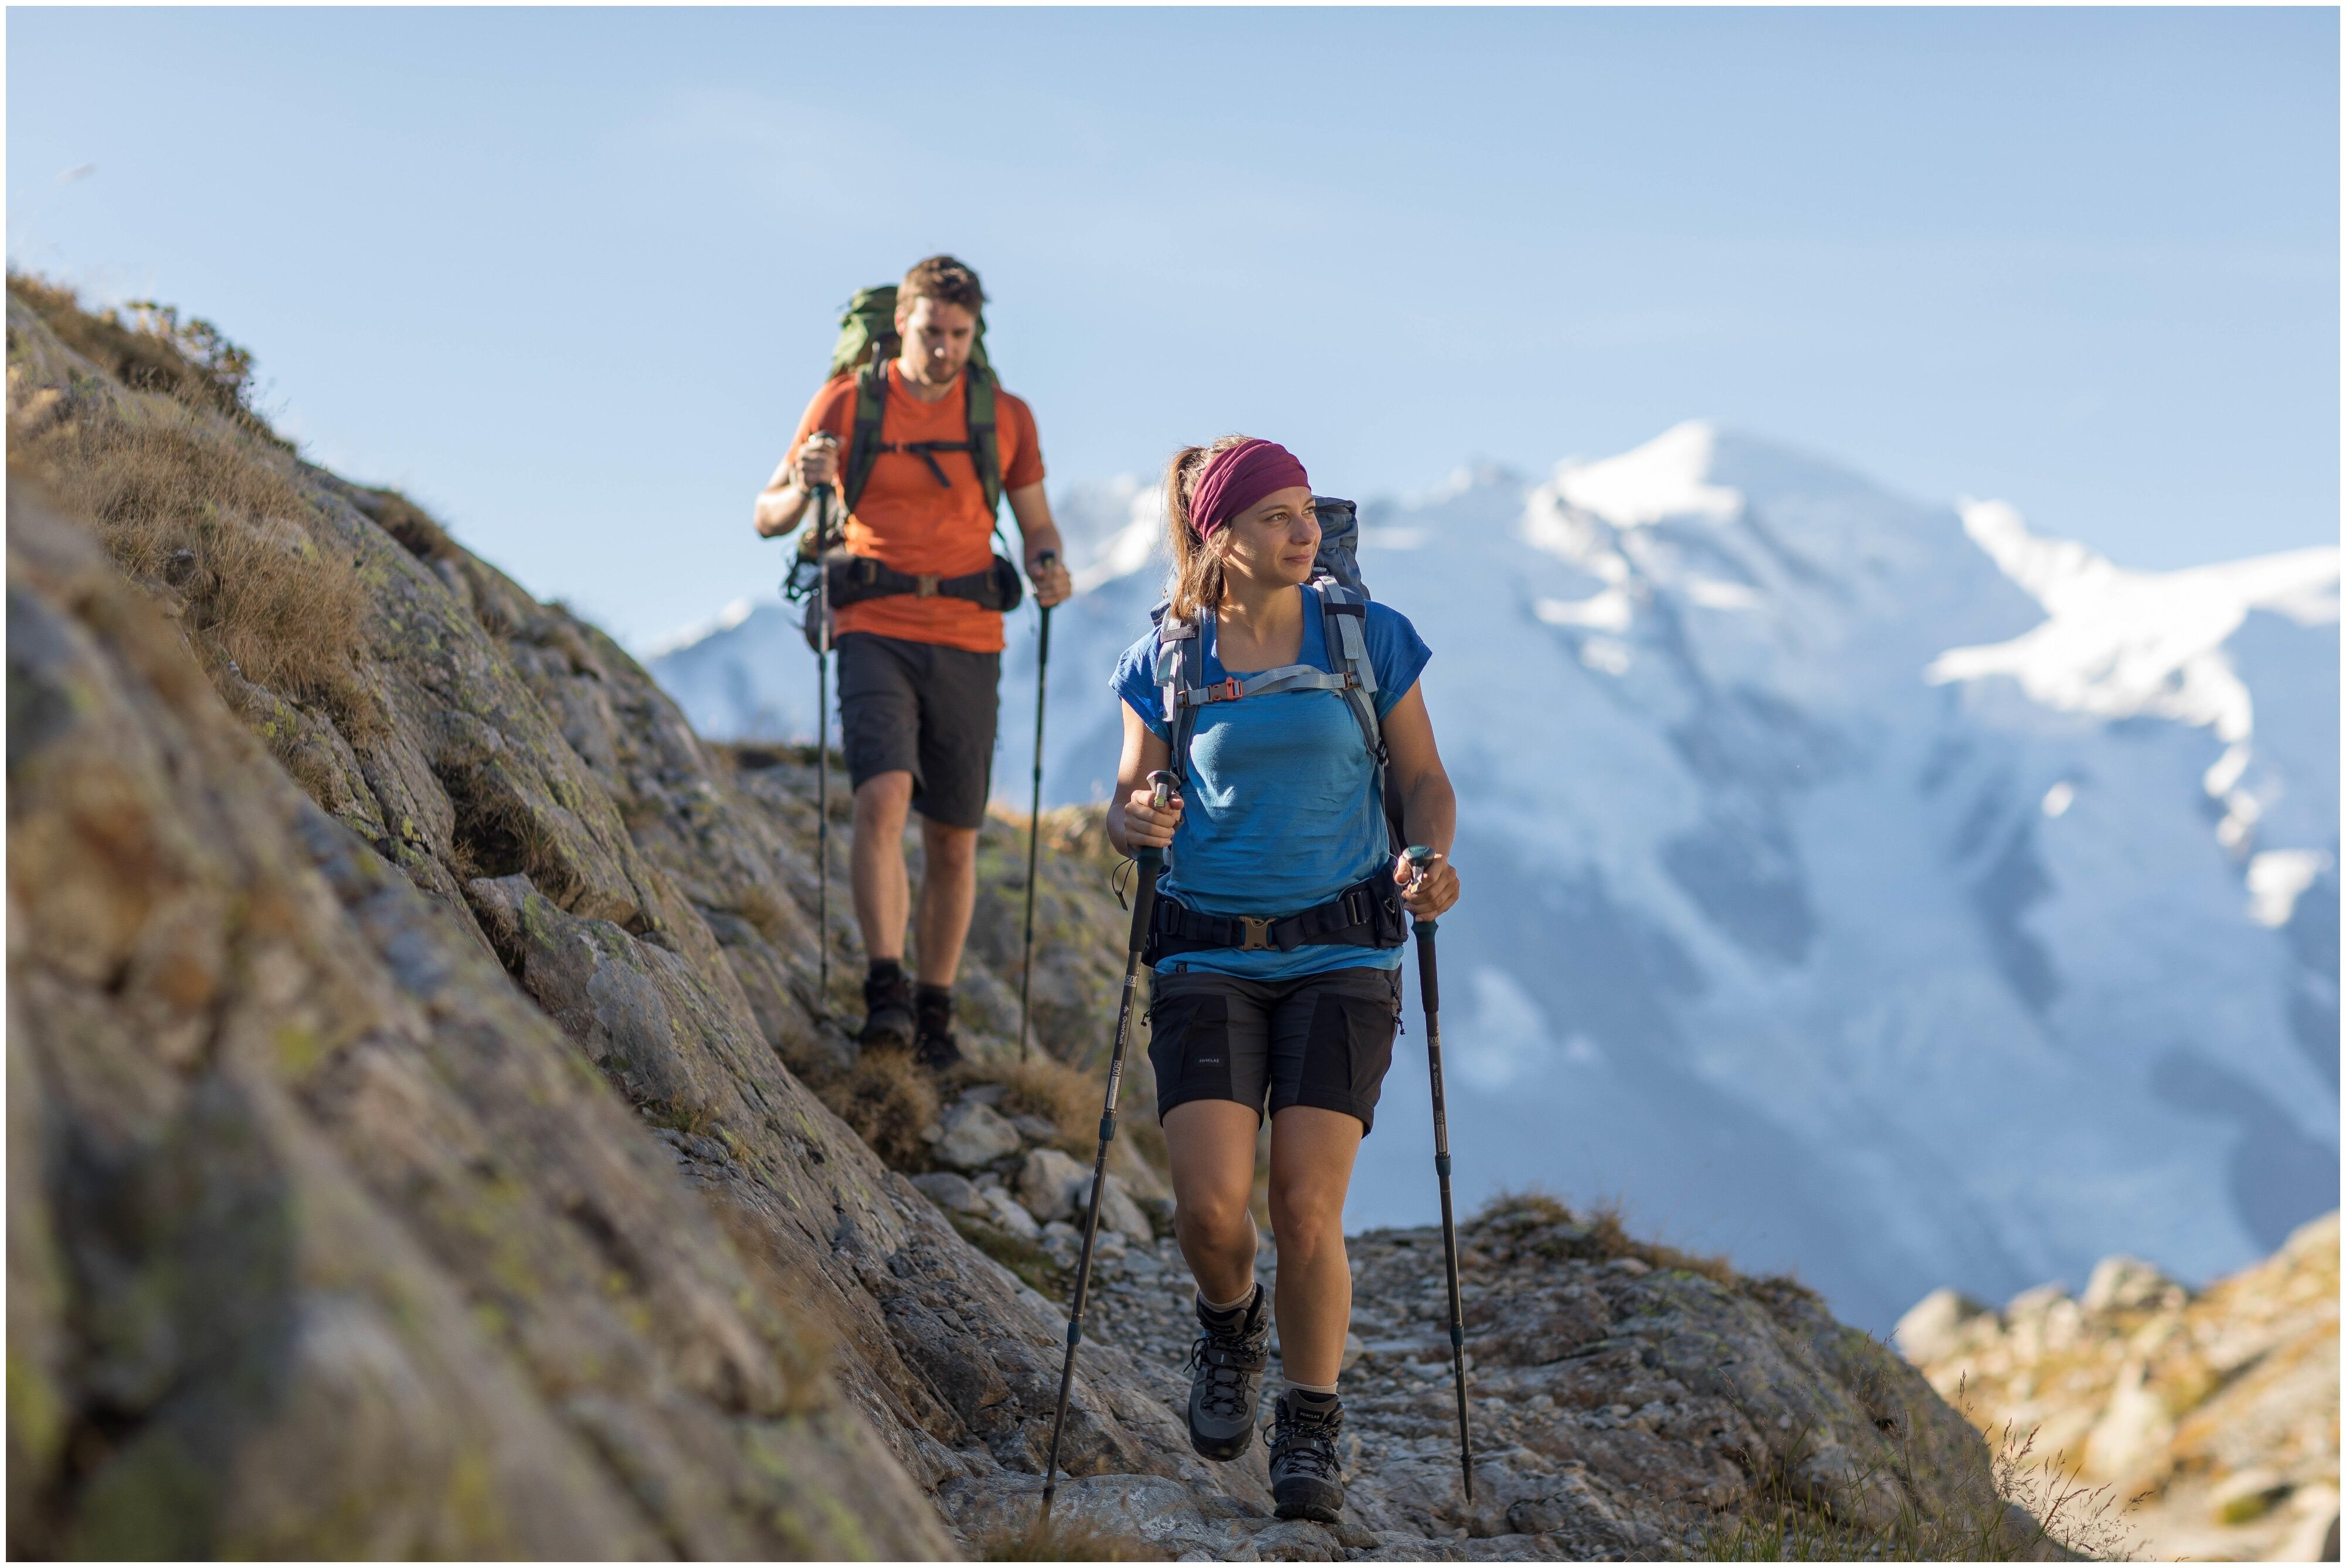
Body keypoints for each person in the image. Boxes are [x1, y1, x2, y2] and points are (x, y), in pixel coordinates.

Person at [1107, 436, 1461, 1524]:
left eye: (1306, 511)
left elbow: (1423, 779)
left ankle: (1311, 1416)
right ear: (1218, 535)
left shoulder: (1368, 638)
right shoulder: (1162, 659)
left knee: (1304, 1204)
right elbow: (1125, 800)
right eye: (1275, 517)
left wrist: (1429, 859)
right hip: (1206, 951)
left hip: (1343, 955)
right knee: (1210, 1212)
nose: (1303, 532)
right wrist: (1137, 817)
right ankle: (1230, 1323)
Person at [754, 256, 1073, 1067]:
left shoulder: (1004, 416)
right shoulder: (847, 403)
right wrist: (806, 484)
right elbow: (768, 514)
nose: (945, 349)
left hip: (969, 633)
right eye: (932, 332)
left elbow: (1035, 522)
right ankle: (885, 989)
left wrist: (1047, 565)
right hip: (873, 622)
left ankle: (936, 1011)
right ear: (900, 323)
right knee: (881, 800)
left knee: (954, 839)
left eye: (960, 335)